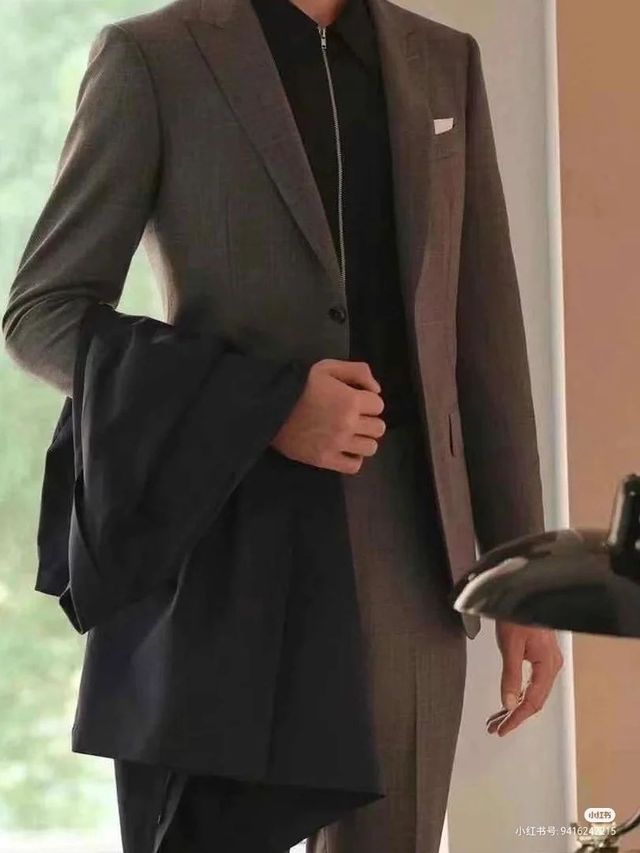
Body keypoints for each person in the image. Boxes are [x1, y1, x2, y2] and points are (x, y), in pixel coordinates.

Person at [2, 0, 564, 849]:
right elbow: (42, 316)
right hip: (227, 541)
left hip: (407, 553)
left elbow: (482, 335)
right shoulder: (154, 57)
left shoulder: (445, 59)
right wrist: (263, 406)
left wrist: (524, 575)